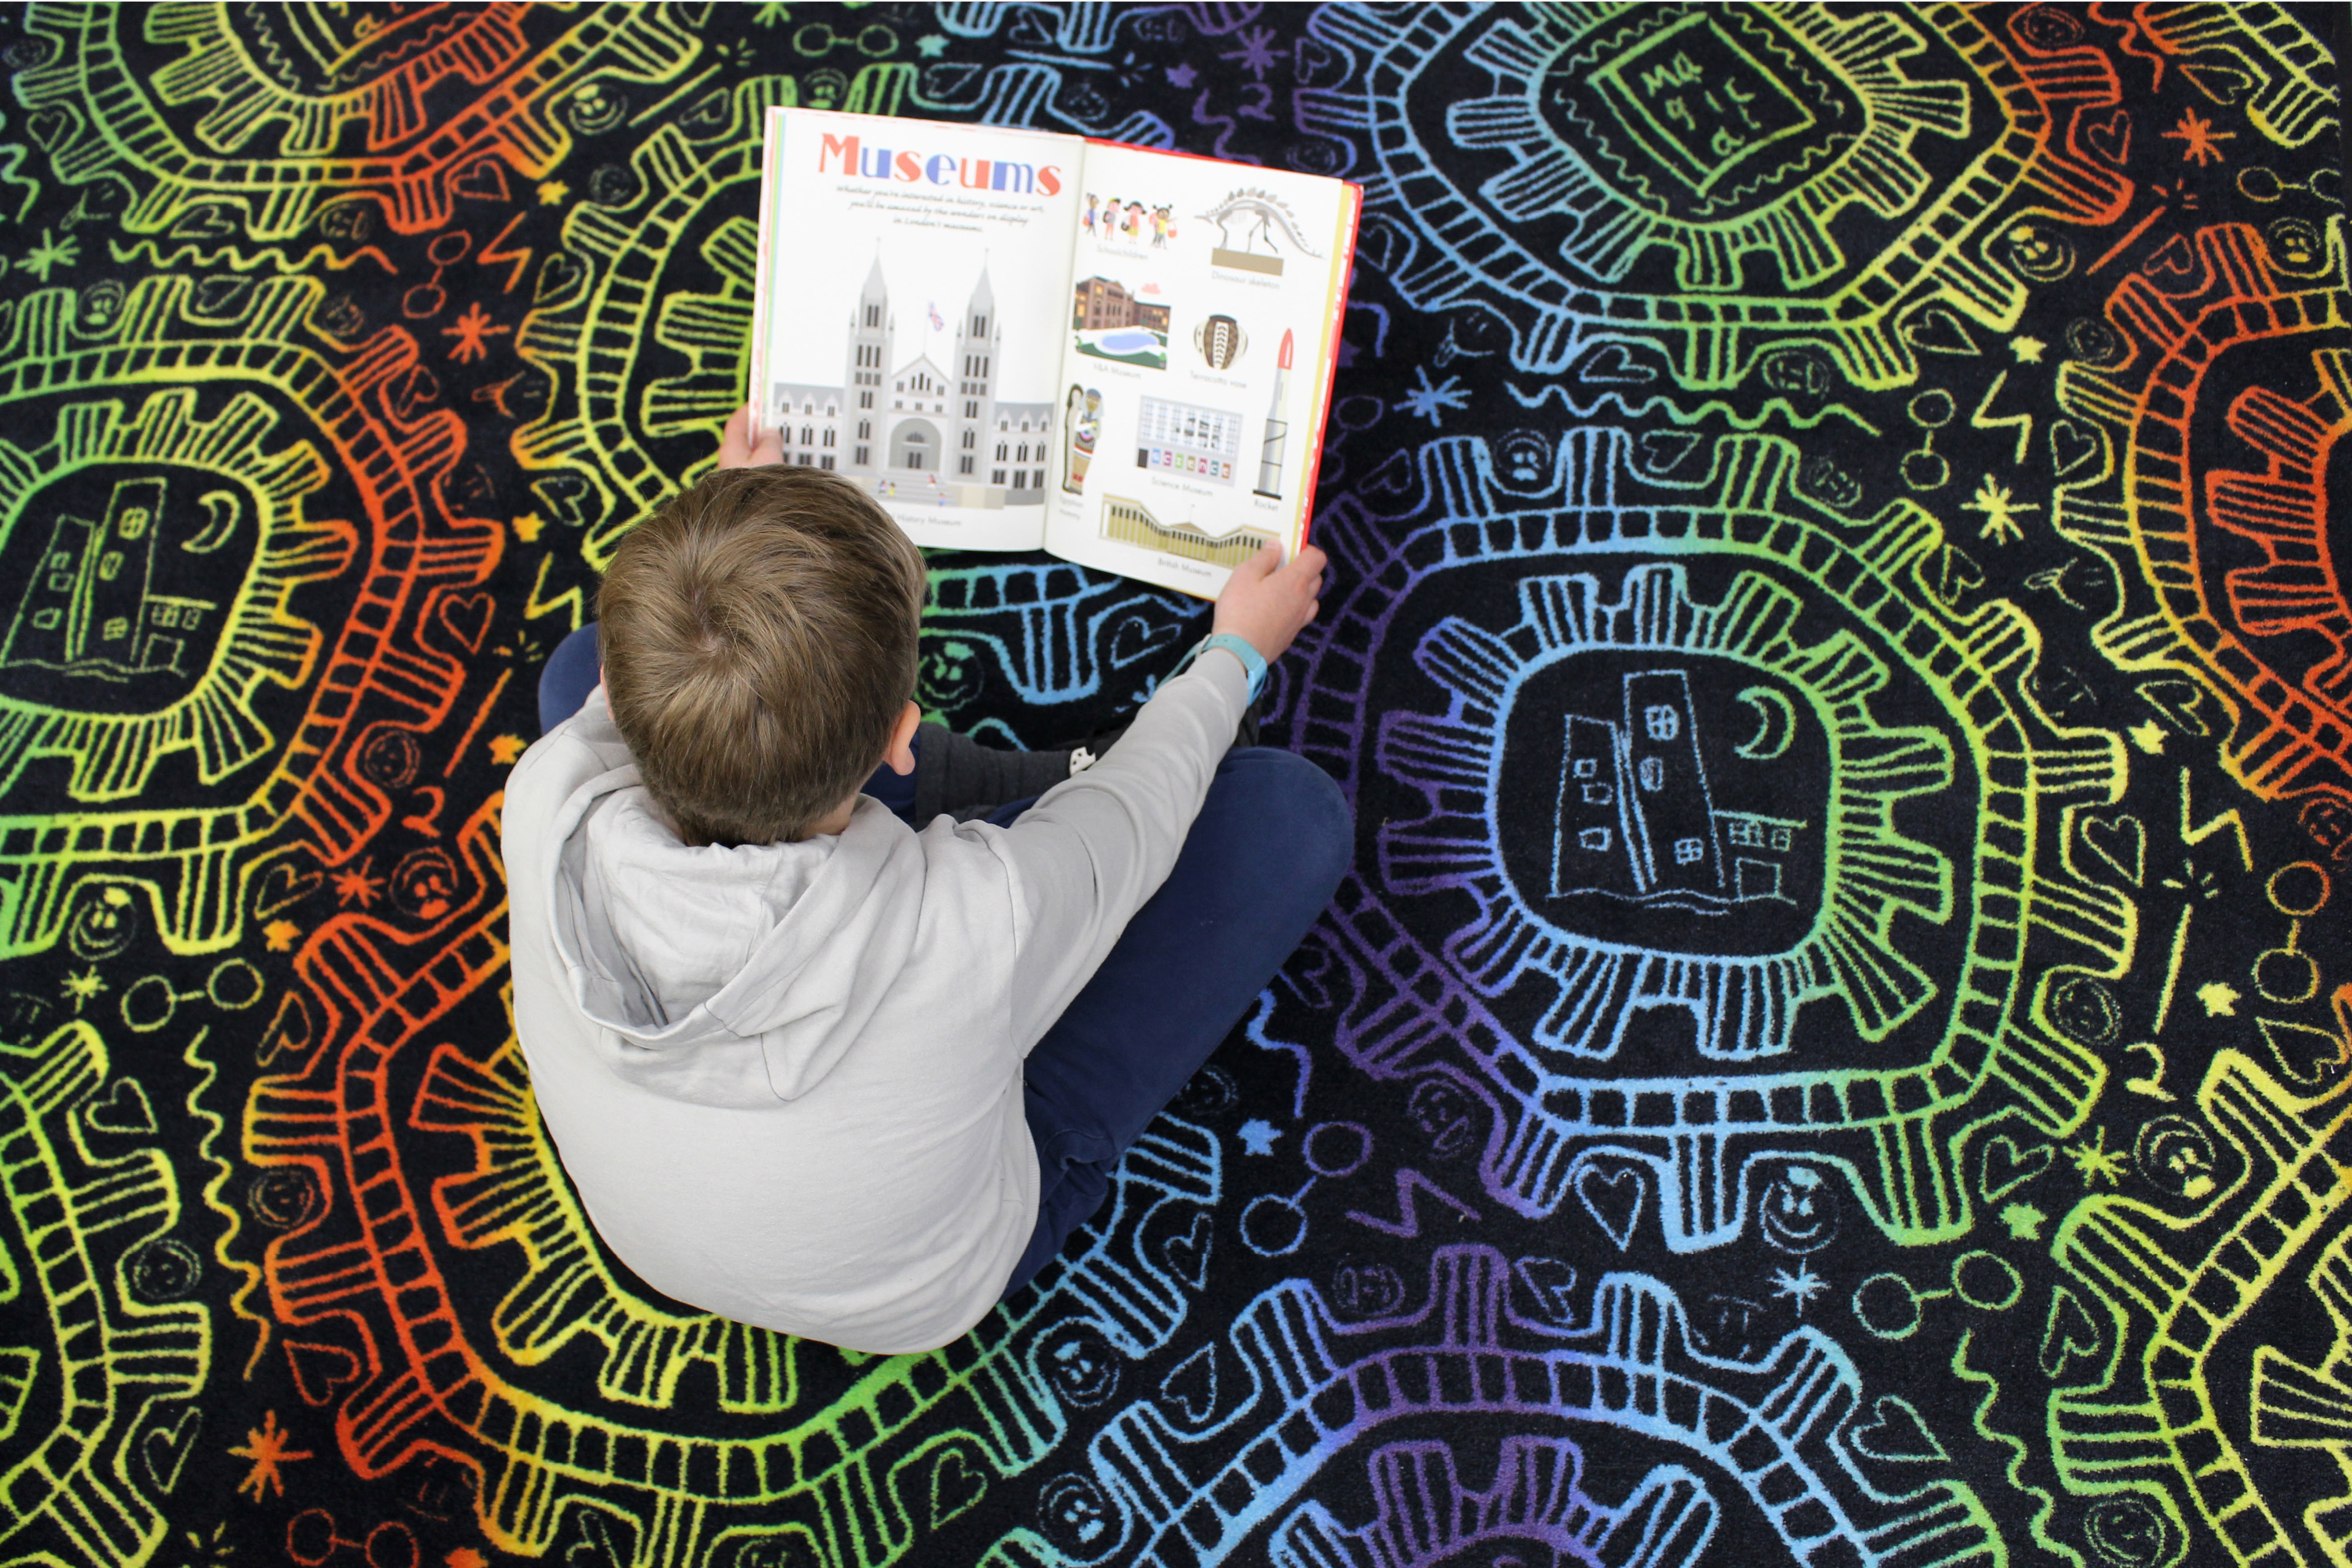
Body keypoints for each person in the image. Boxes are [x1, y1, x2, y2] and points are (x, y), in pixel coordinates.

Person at [503, 406, 1347, 1353]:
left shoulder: (542, 799)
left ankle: (993, 785)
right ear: (900, 740)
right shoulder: (977, 917)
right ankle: (1040, 782)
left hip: (665, 1232)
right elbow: (1136, 815)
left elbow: (632, 679)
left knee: (579, 669)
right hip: (928, 1282)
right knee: (1288, 817)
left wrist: (731, 528)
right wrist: (1236, 652)